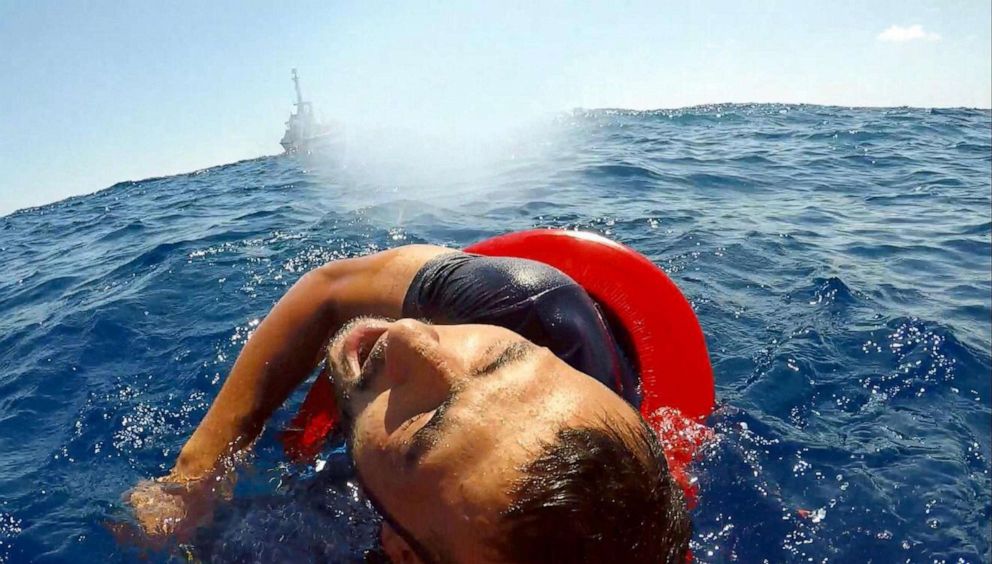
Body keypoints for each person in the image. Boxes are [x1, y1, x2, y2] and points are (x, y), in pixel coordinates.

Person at [127, 244, 691, 563]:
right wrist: (196, 471)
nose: (407, 336)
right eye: (506, 358)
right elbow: (328, 291)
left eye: (423, 425)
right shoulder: (529, 307)